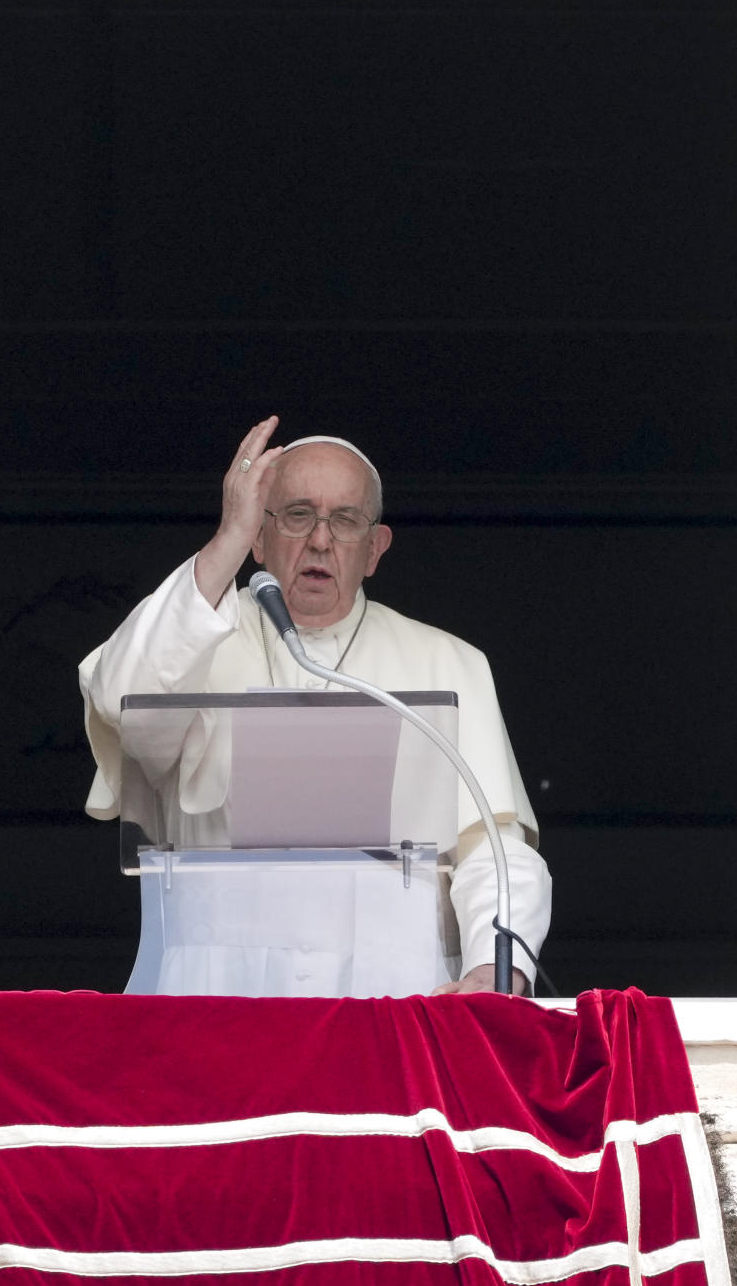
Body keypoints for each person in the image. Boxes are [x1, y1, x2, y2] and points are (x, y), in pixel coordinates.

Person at [80, 416, 551, 997]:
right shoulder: (193, 636)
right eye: (297, 515)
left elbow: (495, 850)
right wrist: (225, 541)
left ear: (375, 549)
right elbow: (124, 699)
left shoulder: (448, 663)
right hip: (214, 980)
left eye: (346, 520)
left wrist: (494, 966)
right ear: (258, 535)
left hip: (392, 983)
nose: (321, 540)